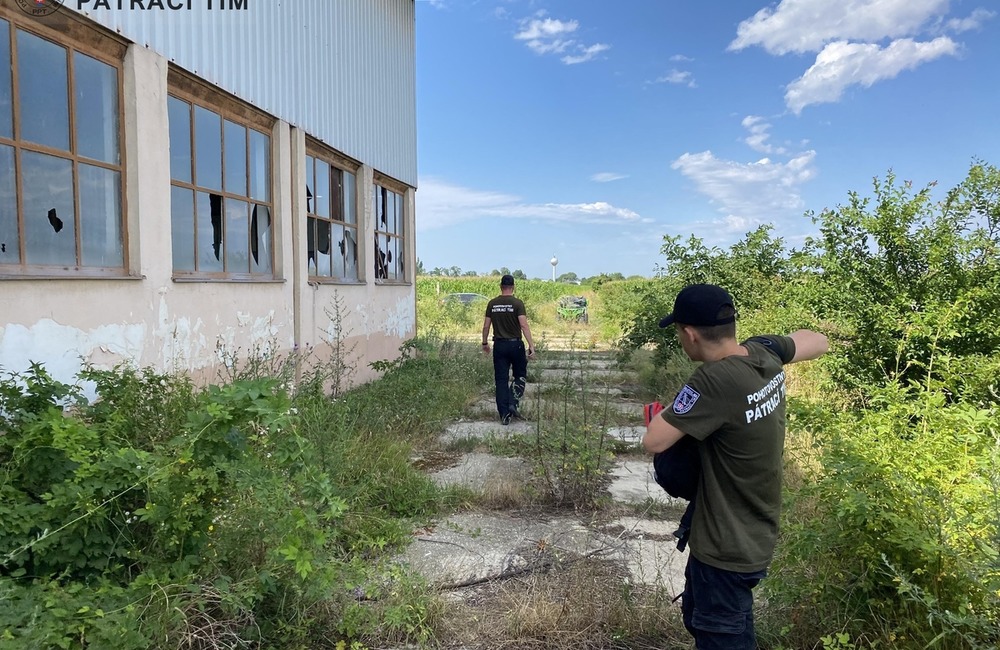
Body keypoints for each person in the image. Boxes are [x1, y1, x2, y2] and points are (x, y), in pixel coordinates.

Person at [642, 283, 828, 650]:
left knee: (721, 633)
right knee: (710, 618)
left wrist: (672, 407)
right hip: (753, 530)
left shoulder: (714, 380)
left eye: (679, 332)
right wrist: (770, 343)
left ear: (690, 334)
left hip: (726, 546)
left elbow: (654, 440)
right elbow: (818, 341)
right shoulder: (762, 354)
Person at [481, 274, 536, 424]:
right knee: (520, 375)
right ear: (513, 287)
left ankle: (504, 415)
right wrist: (531, 344)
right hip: (516, 344)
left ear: (501, 287)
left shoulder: (492, 303)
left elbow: (486, 326)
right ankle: (513, 401)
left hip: (499, 345)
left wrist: (485, 343)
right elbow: (524, 325)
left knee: (501, 380)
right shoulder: (517, 303)